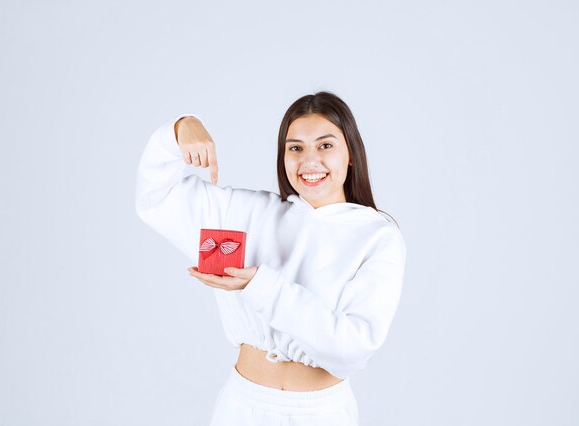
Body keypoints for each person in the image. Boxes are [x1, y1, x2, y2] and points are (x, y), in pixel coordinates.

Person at [135, 91, 407, 425]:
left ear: (351, 153)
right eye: (295, 148)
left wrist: (260, 285)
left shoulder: (377, 236)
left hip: (321, 414)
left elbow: (350, 349)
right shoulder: (247, 212)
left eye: (325, 146)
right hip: (242, 407)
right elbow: (156, 200)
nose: (309, 161)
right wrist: (179, 129)